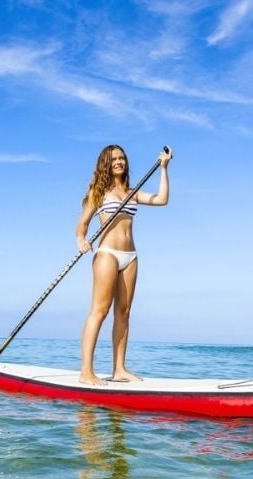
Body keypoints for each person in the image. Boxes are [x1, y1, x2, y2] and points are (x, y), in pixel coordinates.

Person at [75, 145, 171, 386]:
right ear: (106, 164)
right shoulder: (99, 193)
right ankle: (86, 371)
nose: (119, 162)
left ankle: (119, 369)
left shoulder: (132, 192)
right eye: (114, 159)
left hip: (130, 256)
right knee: (100, 311)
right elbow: (82, 224)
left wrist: (164, 169)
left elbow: (162, 200)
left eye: (121, 158)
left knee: (124, 313)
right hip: (107, 254)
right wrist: (81, 240)